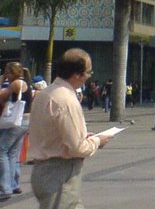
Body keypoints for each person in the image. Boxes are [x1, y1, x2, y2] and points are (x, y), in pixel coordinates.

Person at [27, 49, 114, 208]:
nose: (89, 76)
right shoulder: (66, 100)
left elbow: (52, 132)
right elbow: (77, 148)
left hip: (44, 170)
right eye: (89, 72)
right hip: (59, 174)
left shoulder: (45, 94)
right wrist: (97, 140)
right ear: (77, 75)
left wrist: (83, 136)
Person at [0, 62, 32, 199]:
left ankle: (5, 187)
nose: (6, 75)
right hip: (25, 120)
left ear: (12, 72)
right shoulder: (25, 83)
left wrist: (3, 82)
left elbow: (2, 98)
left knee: (2, 150)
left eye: (7, 72)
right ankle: (12, 185)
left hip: (16, 121)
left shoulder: (16, 83)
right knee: (13, 153)